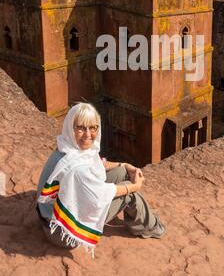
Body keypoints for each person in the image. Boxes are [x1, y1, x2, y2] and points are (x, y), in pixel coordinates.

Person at [36, 102, 165, 252]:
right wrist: (134, 187)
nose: (88, 134)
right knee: (131, 196)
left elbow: (97, 162)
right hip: (61, 232)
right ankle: (152, 227)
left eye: (93, 128)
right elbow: (100, 194)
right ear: (71, 128)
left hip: (50, 217)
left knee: (122, 172)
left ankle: (139, 219)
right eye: (81, 128)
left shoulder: (67, 147)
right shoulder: (77, 169)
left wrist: (123, 165)